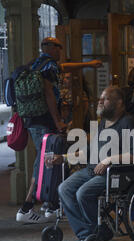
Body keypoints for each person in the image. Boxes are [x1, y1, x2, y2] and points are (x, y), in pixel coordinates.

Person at [16, 37, 102, 224]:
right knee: (43, 162)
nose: (60, 51)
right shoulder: (49, 67)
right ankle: (26, 207)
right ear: (49, 47)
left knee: (46, 159)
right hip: (44, 120)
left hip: (33, 120)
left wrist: (88, 64)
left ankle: (51, 205)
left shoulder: (37, 64)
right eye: (58, 47)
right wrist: (58, 121)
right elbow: (48, 93)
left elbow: (66, 66)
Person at [56, 86, 134, 241]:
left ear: (119, 103)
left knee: (83, 193)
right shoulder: (103, 123)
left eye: (105, 99)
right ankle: (88, 235)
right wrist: (64, 157)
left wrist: (109, 160)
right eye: (101, 98)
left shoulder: (129, 123)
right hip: (92, 170)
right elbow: (90, 151)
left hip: (116, 173)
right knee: (64, 188)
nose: (100, 101)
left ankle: (94, 235)